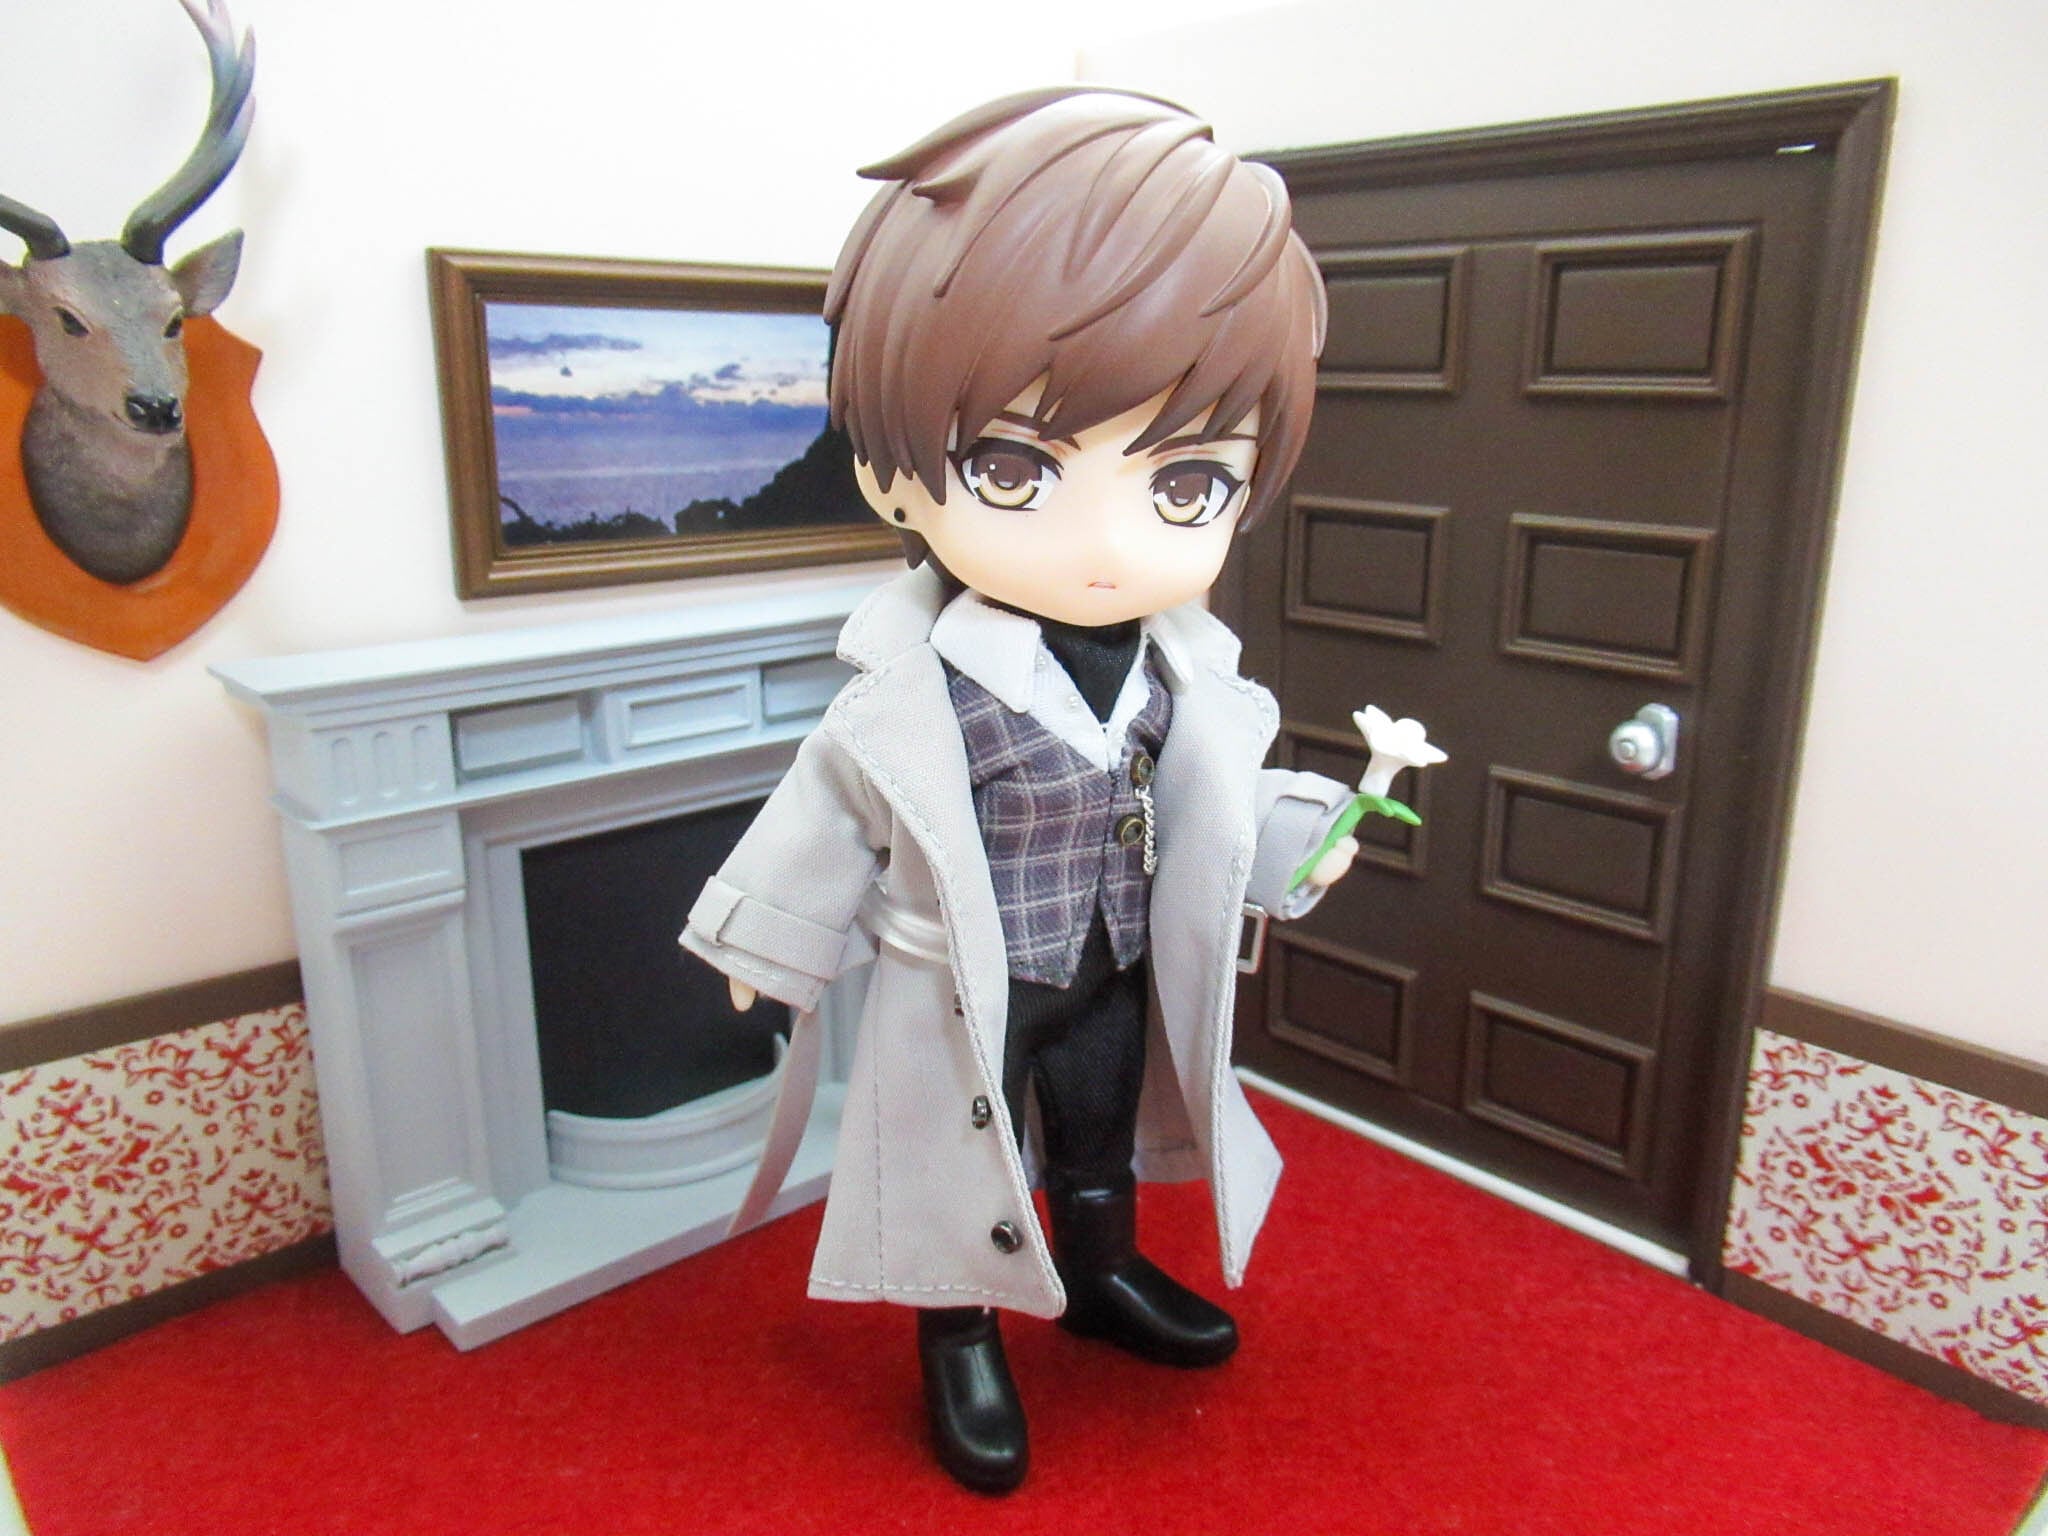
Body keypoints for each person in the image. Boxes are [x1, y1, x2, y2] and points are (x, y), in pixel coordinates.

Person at [680, 86, 1355, 1494]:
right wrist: (771, 941)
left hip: (1109, 961)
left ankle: (1102, 1273)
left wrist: (1311, 835)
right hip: (966, 979)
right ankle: (962, 1334)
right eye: (1015, 468)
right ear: (894, 475)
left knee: (1098, 1132)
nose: (1106, 544)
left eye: (1186, 485)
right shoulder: (914, 686)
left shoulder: (1180, 666)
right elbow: (833, 808)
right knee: (956, 1158)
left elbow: (1216, 796)